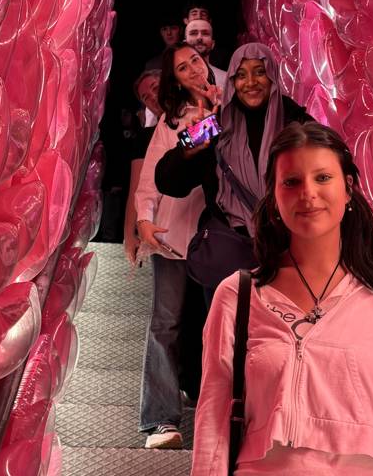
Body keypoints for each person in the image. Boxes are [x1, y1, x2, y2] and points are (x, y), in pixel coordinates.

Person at [192, 122, 373, 475]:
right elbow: (212, 425)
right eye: (291, 182)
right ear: (274, 197)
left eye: (323, 178)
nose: (307, 193)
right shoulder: (236, 296)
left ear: (348, 189)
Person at [155, 43, 312, 295]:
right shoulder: (213, 124)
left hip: (286, 255)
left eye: (260, 71)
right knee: (226, 332)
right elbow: (165, 180)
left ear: (272, 76)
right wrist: (187, 148)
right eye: (241, 75)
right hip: (230, 259)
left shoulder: (295, 121)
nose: (251, 82)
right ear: (231, 81)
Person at [134, 43, 219, 449]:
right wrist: (144, 220)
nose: (191, 70)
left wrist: (220, 113)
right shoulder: (171, 121)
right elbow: (152, 174)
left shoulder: (232, 104)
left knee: (213, 327)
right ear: (175, 78)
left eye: (195, 62)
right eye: (182, 68)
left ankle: (212, 414)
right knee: (165, 324)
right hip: (170, 236)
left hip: (216, 237)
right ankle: (159, 421)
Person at [123, 69, 162, 264]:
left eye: (156, 88)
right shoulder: (144, 139)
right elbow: (136, 189)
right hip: (164, 235)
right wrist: (129, 235)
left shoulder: (199, 120)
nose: (153, 97)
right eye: (146, 97)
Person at [185, 18, 227, 90]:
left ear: (213, 44)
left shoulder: (225, 78)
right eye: (193, 33)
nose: (199, 38)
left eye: (205, 33)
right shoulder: (174, 77)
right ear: (184, 43)